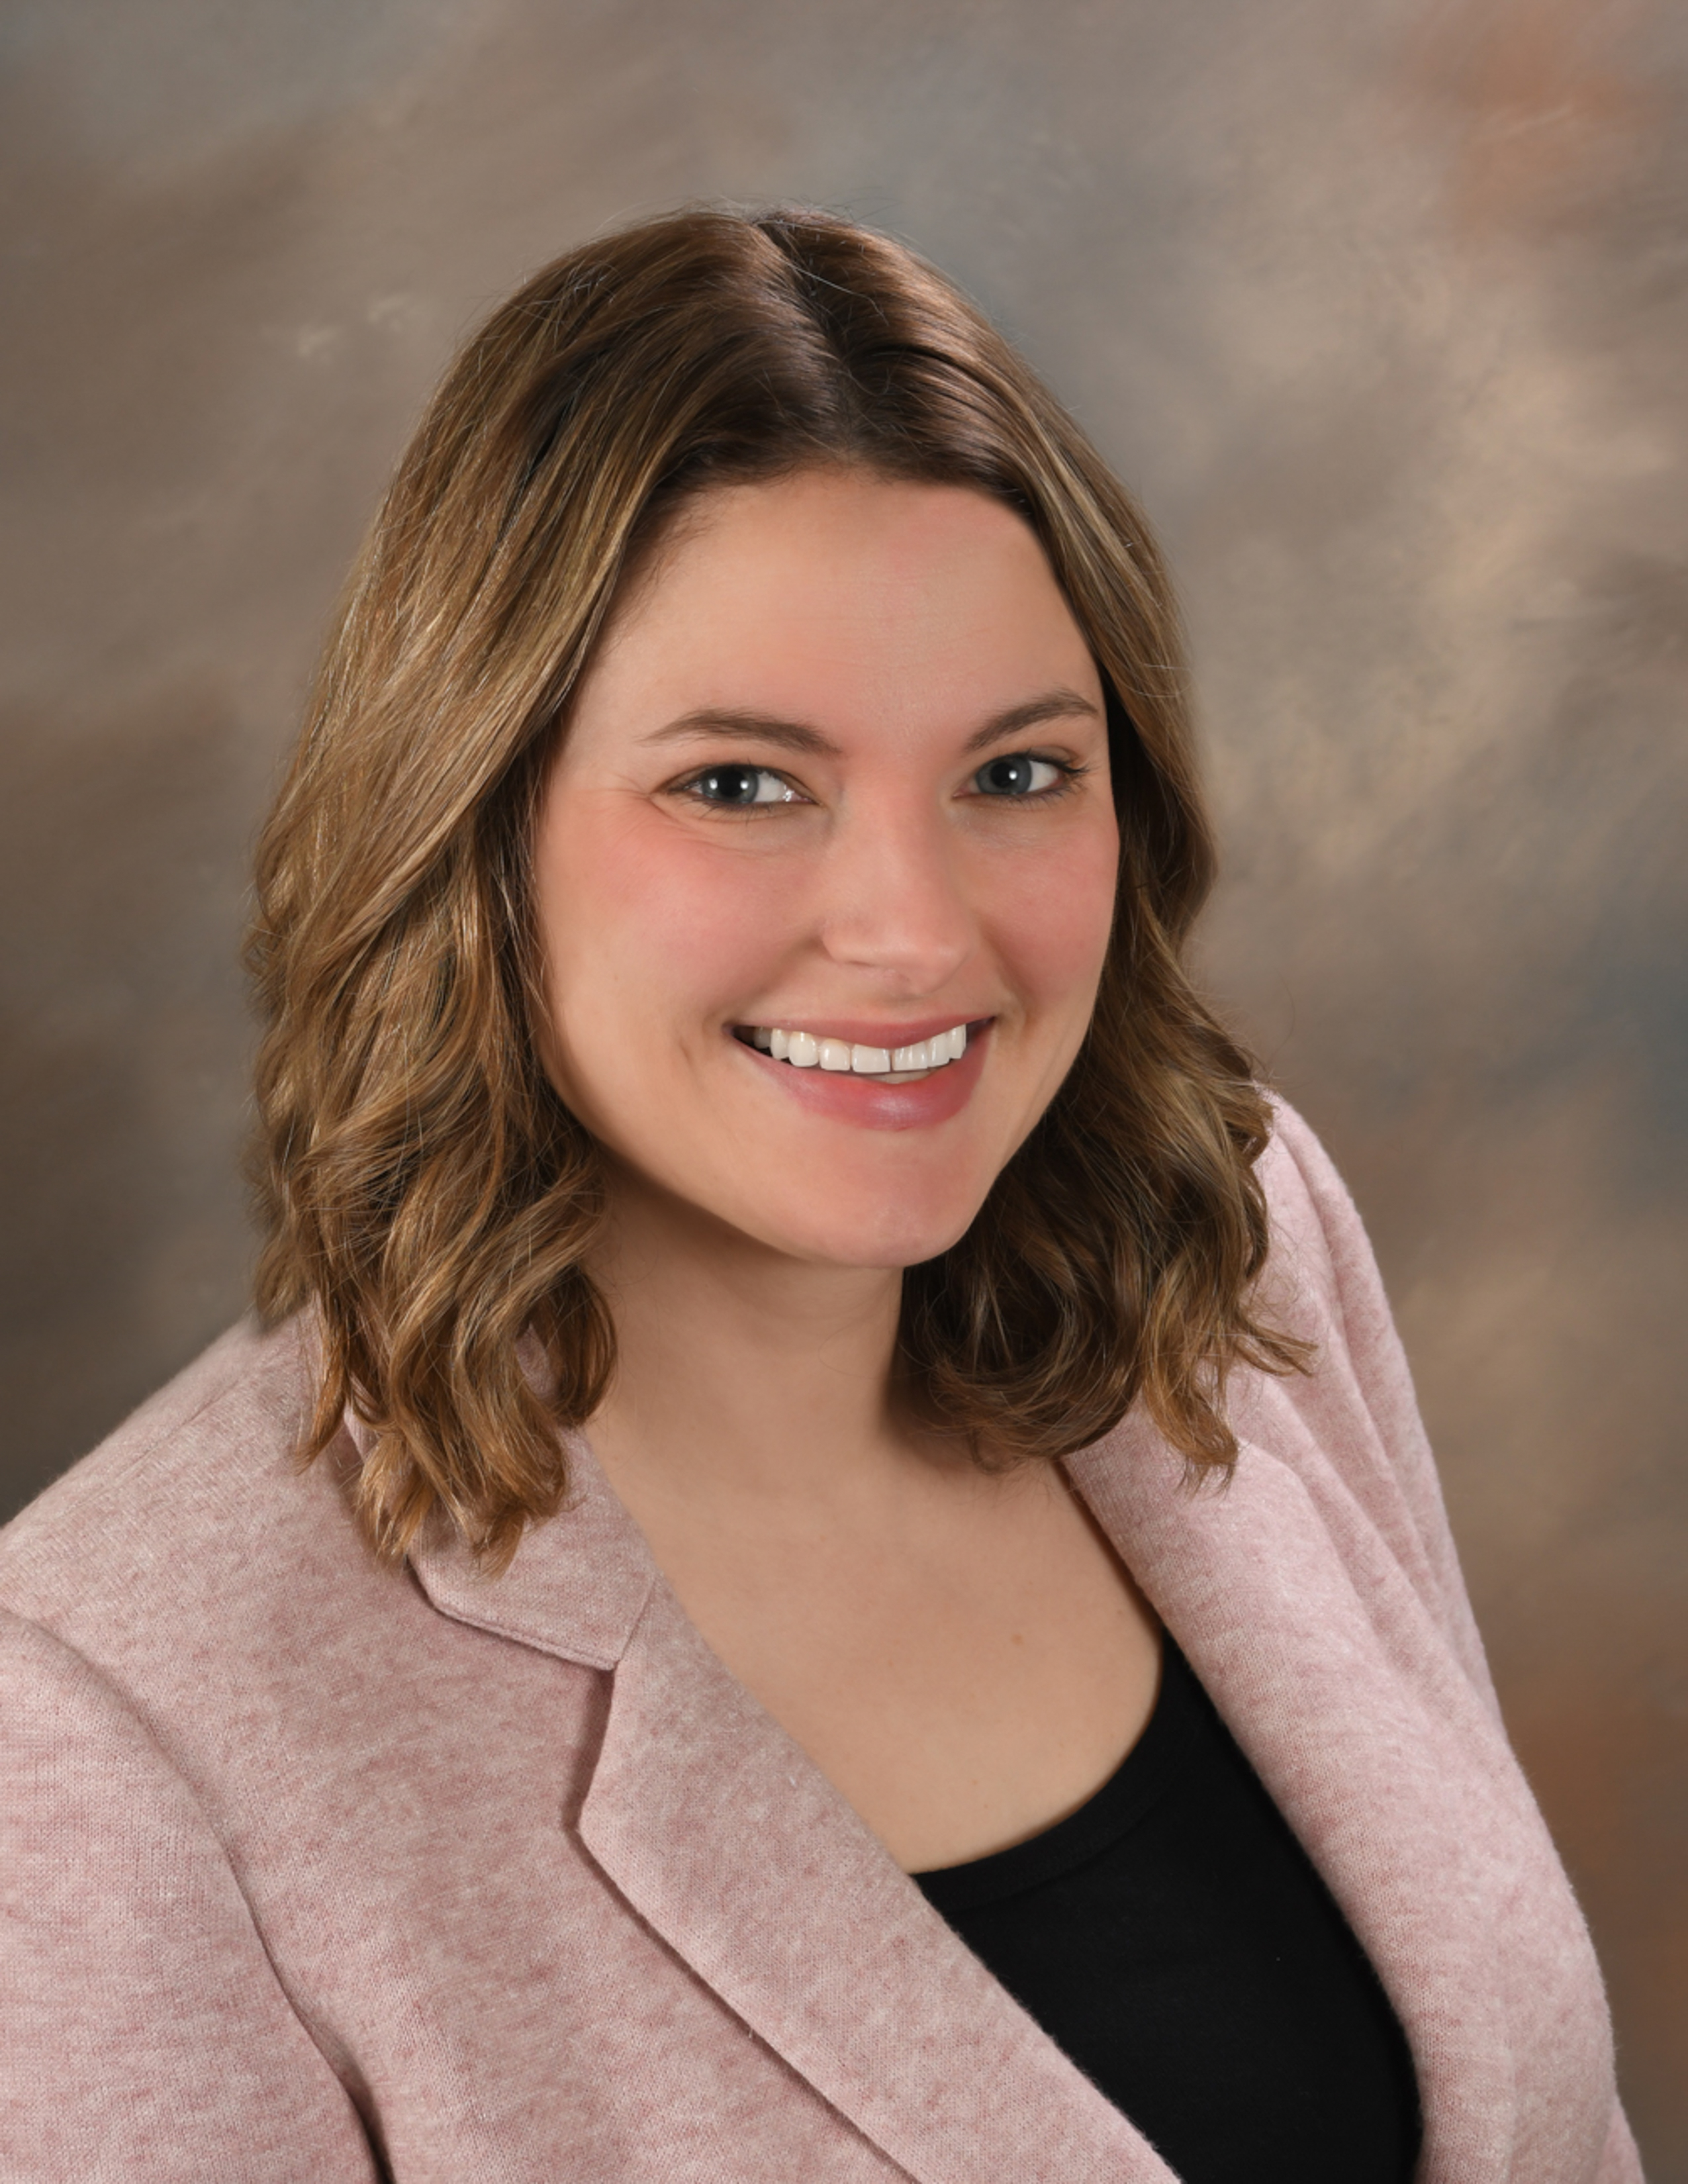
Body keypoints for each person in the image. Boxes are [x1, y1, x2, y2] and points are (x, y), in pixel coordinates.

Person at [0, 207, 1638, 2184]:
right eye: (742, 784)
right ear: (474, 824)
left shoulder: (1242, 1244)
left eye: (1019, 773)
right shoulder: (112, 1724)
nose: (915, 928)